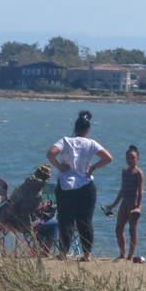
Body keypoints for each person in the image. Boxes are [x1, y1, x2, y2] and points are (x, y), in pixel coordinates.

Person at [46, 109, 113, 261]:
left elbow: (50, 153)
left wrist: (59, 166)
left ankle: (63, 253)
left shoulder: (65, 141)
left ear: (75, 128)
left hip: (66, 185)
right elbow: (108, 158)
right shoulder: (91, 143)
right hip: (86, 185)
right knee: (85, 220)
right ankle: (87, 254)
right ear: (88, 130)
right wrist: (93, 167)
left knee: (65, 220)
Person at [103, 145, 145, 261]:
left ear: (138, 159)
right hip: (124, 203)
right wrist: (113, 205)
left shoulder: (139, 173)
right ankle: (123, 254)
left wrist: (139, 207)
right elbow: (122, 190)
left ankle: (130, 256)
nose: (130, 160)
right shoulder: (124, 172)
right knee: (118, 229)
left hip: (133, 204)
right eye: (128, 158)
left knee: (132, 230)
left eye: (132, 158)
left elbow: (141, 192)